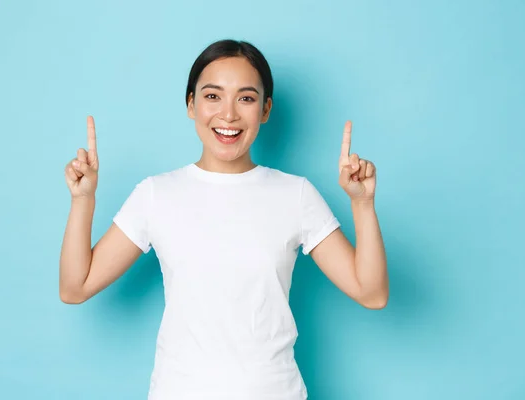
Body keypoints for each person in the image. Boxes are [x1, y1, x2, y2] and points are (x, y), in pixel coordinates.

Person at [59, 39, 388, 400]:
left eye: (246, 98)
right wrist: (83, 200)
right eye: (213, 96)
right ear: (191, 104)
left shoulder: (296, 195)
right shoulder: (157, 194)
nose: (228, 114)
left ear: (265, 109)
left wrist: (363, 204)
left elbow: (371, 293)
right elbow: (76, 287)